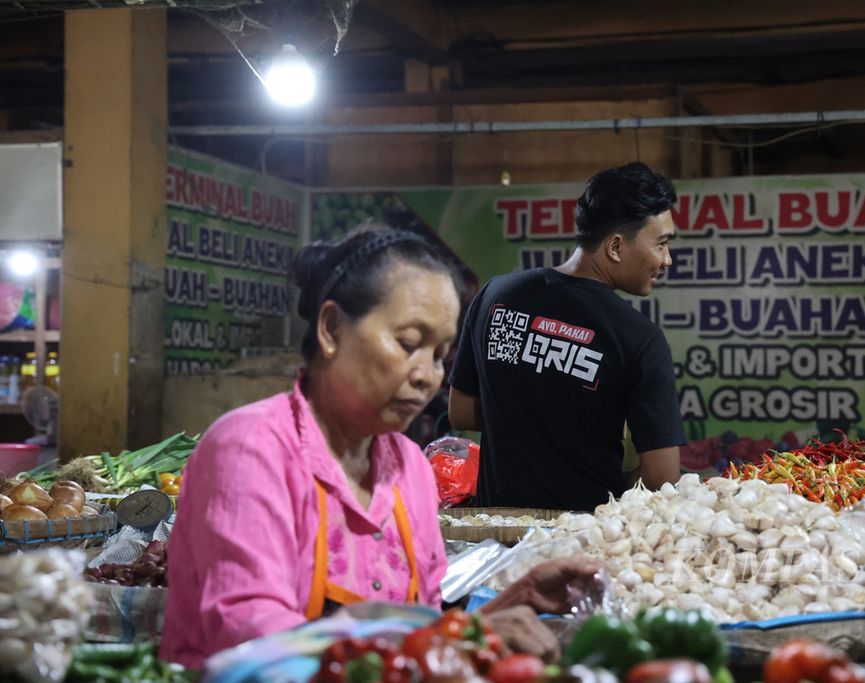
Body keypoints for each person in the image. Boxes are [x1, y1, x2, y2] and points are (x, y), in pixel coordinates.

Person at [161, 226, 600, 668]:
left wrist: (512, 601)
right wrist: (453, 638)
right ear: (332, 328)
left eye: (439, 355)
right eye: (409, 344)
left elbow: (418, 644)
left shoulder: (409, 468)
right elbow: (252, 640)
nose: (427, 375)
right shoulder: (251, 449)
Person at [448, 162, 685, 511]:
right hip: (583, 538)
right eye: (662, 244)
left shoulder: (495, 295)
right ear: (616, 247)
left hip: (496, 535)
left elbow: (461, 413)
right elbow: (663, 476)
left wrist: (532, 415)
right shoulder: (639, 338)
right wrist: (607, 485)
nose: (667, 259)